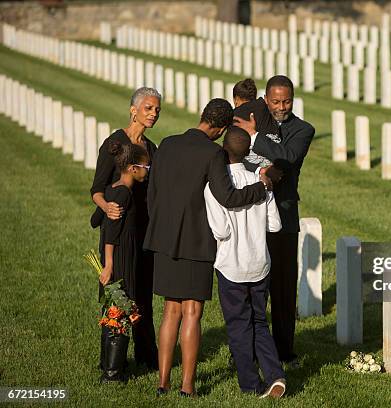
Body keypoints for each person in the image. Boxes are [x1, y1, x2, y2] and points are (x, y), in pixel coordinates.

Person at [144, 98, 274, 397]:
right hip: (196, 240)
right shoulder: (212, 152)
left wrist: (162, 226)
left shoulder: (166, 143)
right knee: (191, 312)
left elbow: (152, 192)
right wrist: (261, 187)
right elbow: (227, 196)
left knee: (169, 312)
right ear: (222, 128)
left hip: (163, 239)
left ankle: (162, 382)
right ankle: (187, 385)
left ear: (202, 116)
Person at [234, 75, 315, 366]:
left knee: (282, 287)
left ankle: (284, 351)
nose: (282, 106)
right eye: (276, 101)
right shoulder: (251, 117)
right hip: (251, 213)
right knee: (251, 287)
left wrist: (255, 138)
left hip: (283, 214)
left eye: (287, 101)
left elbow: (288, 157)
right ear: (266, 99)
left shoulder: (303, 129)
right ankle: (246, 351)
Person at [204, 126, 286, 398]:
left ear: (222, 151)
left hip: (232, 266)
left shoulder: (213, 187)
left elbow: (221, 231)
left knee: (239, 326)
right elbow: (274, 225)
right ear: (248, 152)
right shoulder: (260, 181)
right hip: (260, 263)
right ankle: (275, 374)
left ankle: (250, 384)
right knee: (260, 322)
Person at [91, 87, 161, 371]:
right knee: (118, 296)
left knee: (143, 295)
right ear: (134, 110)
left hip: (144, 231)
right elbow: (96, 189)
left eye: (157, 109)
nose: (154, 113)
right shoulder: (114, 144)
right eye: (148, 108)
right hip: (118, 230)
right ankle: (111, 364)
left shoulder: (151, 148)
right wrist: (107, 206)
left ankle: (147, 357)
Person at [98, 140, 151, 382]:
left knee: (114, 309)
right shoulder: (124, 194)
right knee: (120, 310)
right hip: (120, 259)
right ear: (132, 168)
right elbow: (111, 230)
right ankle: (112, 373)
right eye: (145, 167)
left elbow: (95, 218)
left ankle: (108, 364)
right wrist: (109, 265)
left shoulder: (113, 189)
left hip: (119, 256)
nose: (147, 172)